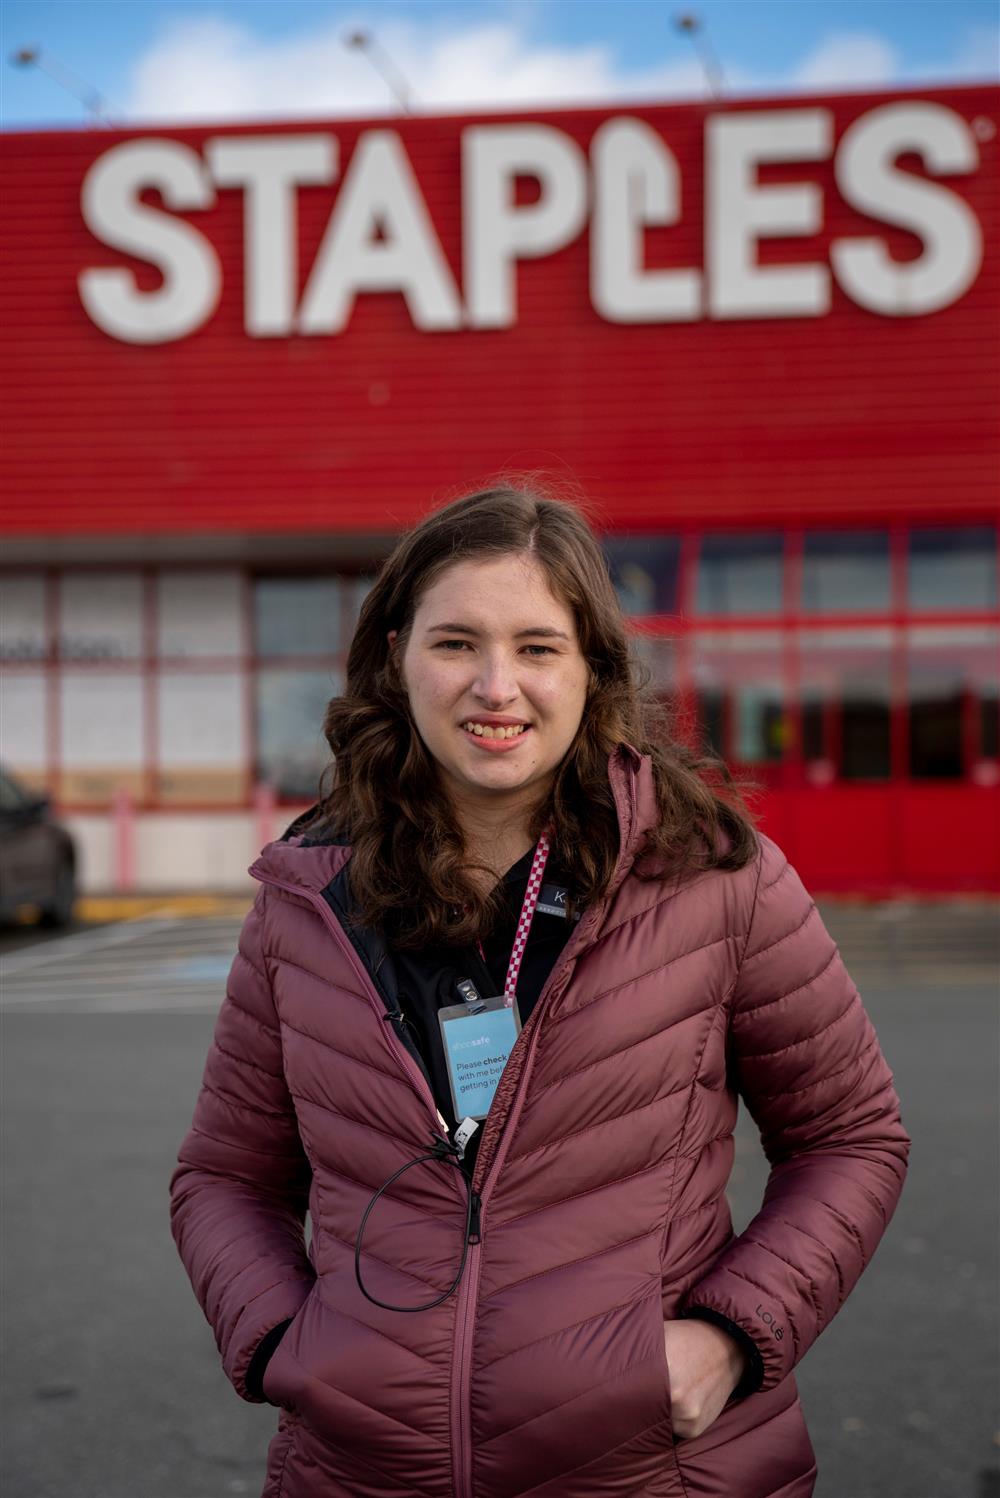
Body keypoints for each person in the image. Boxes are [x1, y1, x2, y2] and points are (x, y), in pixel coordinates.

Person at [170, 484, 910, 1498]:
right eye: (455, 643)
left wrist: (729, 1334)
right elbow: (223, 1176)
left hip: (657, 1468)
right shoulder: (307, 897)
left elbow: (851, 1137)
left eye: (536, 646)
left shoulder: (713, 878)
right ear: (396, 653)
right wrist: (279, 1342)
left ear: (591, 669)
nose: (495, 685)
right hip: (362, 1471)